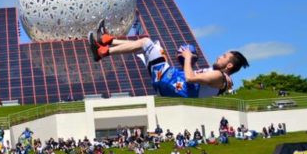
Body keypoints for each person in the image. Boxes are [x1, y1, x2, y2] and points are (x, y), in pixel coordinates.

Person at [88, 21, 249, 98]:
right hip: (168, 81)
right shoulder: (219, 77)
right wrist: (186, 62)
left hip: (168, 82)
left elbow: (190, 78)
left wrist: (187, 58)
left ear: (228, 65)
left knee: (146, 43)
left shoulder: (218, 76)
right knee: (153, 46)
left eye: (223, 57)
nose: (219, 56)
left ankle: (103, 51)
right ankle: (107, 40)